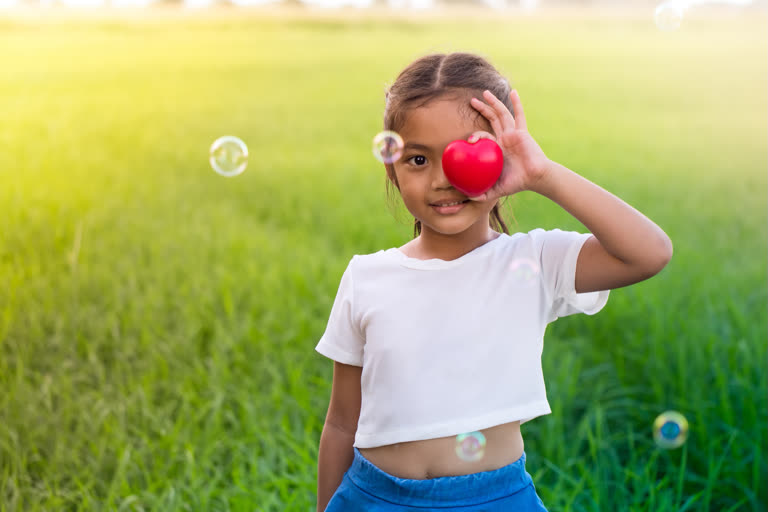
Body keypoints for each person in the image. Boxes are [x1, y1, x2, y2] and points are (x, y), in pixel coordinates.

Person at [315, 51, 673, 512]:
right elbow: (343, 422)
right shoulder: (367, 276)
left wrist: (543, 175)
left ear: (502, 158)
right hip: (373, 497)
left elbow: (650, 253)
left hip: (496, 500)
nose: (442, 180)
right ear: (392, 169)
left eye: (468, 154)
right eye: (419, 159)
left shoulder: (534, 261)